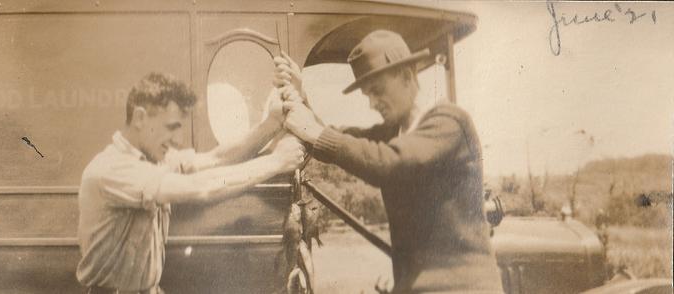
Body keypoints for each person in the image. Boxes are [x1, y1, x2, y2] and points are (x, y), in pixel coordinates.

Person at [274, 30, 504, 293]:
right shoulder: (396, 132)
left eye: (378, 91)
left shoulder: (449, 122)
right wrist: (300, 97)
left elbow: (389, 163)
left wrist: (314, 132)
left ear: (407, 75)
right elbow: (333, 140)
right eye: (367, 95)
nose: (372, 103)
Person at [76, 72, 305, 294]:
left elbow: (217, 159)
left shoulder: (152, 161)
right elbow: (199, 188)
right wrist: (277, 161)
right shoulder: (112, 169)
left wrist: (272, 123)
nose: (178, 140)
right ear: (139, 118)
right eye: (170, 127)